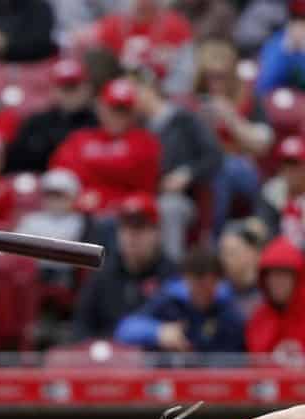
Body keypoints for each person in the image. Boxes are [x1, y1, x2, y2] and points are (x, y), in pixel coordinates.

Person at [131, 63, 223, 262]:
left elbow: (214, 156)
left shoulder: (184, 120)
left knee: (169, 208)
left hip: (180, 198)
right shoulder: (136, 126)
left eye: (135, 90)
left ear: (150, 88)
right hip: (145, 193)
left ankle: (171, 272)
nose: (132, 98)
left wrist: (187, 173)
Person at [192, 38, 272, 234]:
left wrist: (230, 117)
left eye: (221, 76)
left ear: (232, 76)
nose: (215, 82)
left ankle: (215, 237)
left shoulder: (249, 101)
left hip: (242, 169)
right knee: (217, 168)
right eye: (210, 76)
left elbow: (263, 143)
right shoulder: (194, 103)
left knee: (225, 167)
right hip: (203, 168)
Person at [73, 193, 177, 340]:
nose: (132, 236)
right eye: (126, 227)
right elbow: (81, 328)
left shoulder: (172, 276)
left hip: (155, 359)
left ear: (157, 233)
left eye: (140, 227)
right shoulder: (102, 277)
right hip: (109, 358)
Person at [50, 78, 161, 213]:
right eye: (112, 108)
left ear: (133, 113)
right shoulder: (80, 138)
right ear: (101, 108)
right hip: (78, 211)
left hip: (125, 216)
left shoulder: (145, 141)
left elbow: (143, 186)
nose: (117, 115)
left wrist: (104, 197)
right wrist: (79, 197)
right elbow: (61, 174)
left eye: (123, 110)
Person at [115, 247, 245, 353]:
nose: (202, 293)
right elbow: (125, 330)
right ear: (186, 280)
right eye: (196, 286)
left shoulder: (229, 312)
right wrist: (158, 332)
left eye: (207, 286)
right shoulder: (169, 302)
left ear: (217, 282)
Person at [5, 57, 98, 174]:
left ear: (87, 88)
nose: (69, 94)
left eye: (73, 87)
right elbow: (15, 164)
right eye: (64, 88)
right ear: (53, 90)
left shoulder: (99, 123)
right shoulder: (36, 123)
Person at [83, 0, 195, 95]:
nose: (143, 3)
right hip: (116, 97)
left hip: (160, 97)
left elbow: (185, 76)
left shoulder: (177, 27)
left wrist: (162, 94)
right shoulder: (111, 25)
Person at [246, 236, 305, 354]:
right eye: (272, 276)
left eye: (283, 275)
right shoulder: (259, 318)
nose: (277, 282)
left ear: (296, 279)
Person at [255, 0, 305, 97]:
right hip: (276, 102)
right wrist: (288, 51)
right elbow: (263, 85)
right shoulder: (277, 43)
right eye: (298, 21)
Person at [217, 219, 265, 319]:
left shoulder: (269, 293)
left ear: (252, 253)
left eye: (231, 253)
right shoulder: (217, 293)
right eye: (222, 253)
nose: (224, 259)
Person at [263, 136, 305, 243]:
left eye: (295, 164)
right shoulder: (270, 192)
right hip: (277, 253)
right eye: (286, 164)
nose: (290, 170)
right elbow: (265, 227)